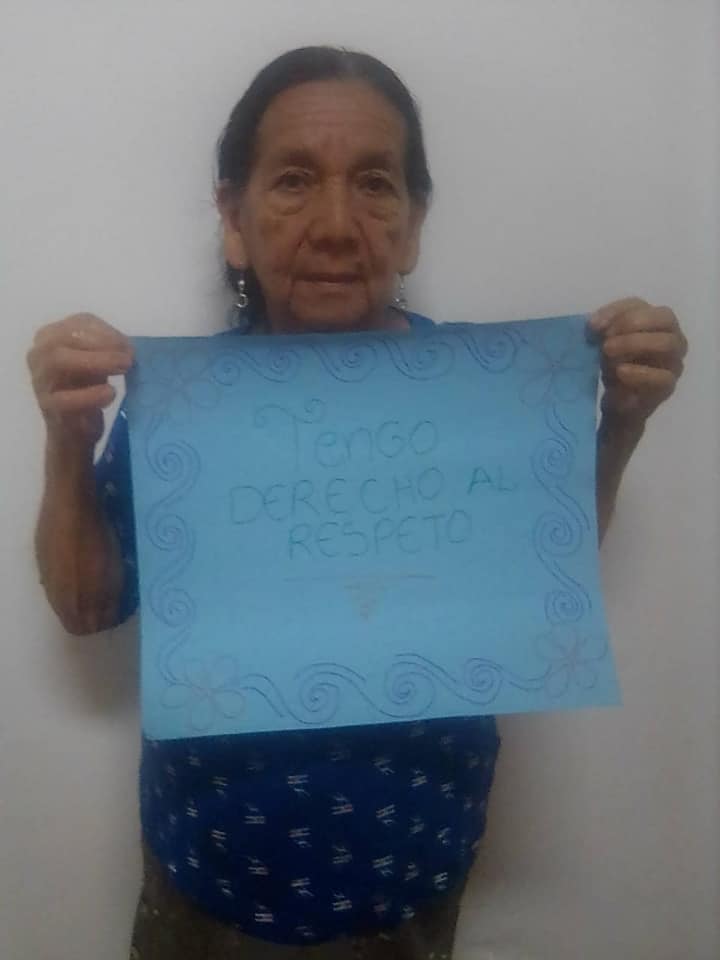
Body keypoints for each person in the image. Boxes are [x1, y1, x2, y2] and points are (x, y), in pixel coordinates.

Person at [26, 46, 687, 960]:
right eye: (294, 180)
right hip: (206, 881)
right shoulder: (188, 412)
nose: (337, 225)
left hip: (413, 879)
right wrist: (66, 438)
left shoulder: (483, 399)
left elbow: (536, 587)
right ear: (234, 218)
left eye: (375, 184)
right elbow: (86, 607)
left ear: (413, 224)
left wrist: (619, 423)